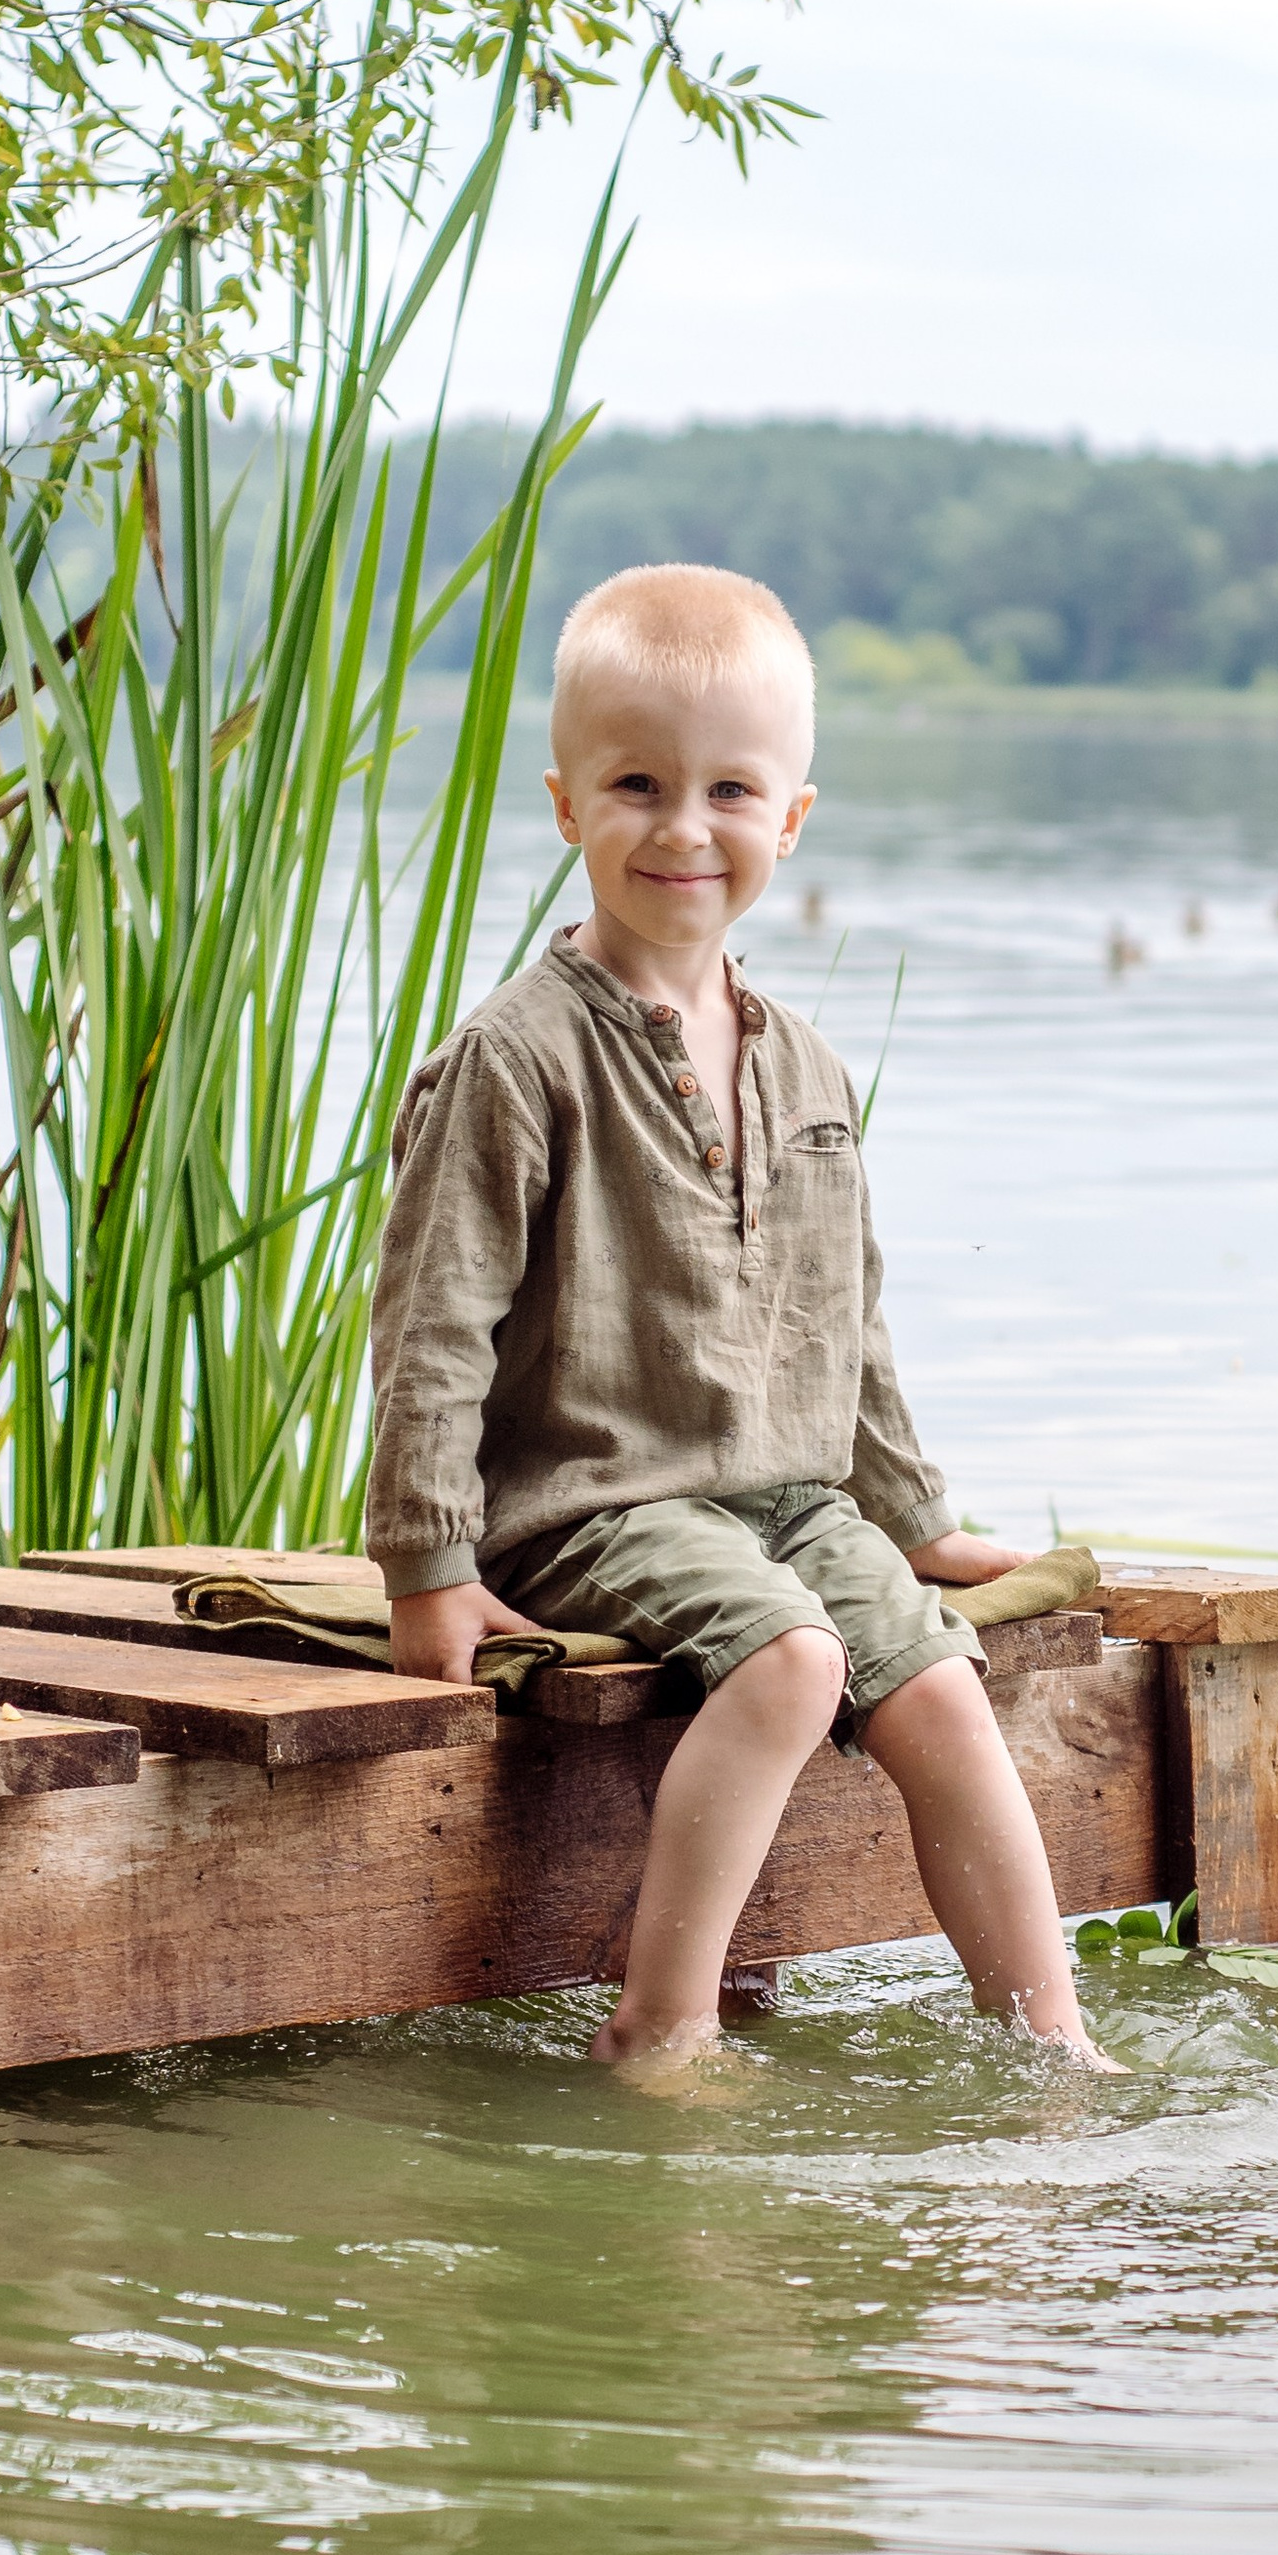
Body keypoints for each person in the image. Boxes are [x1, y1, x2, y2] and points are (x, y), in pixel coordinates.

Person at [366, 560, 1109, 2070]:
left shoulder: (809, 1069)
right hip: (587, 1501)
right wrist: (429, 1567)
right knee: (793, 1660)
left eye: (728, 790)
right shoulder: (520, 1057)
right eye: (637, 783)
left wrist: (907, 1513)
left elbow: (851, 1319)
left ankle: (1052, 2043)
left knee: (940, 1677)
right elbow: (432, 1320)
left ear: (792, 818)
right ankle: (662, 2030)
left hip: (783, 1492)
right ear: (568, 804)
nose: (683, 827)